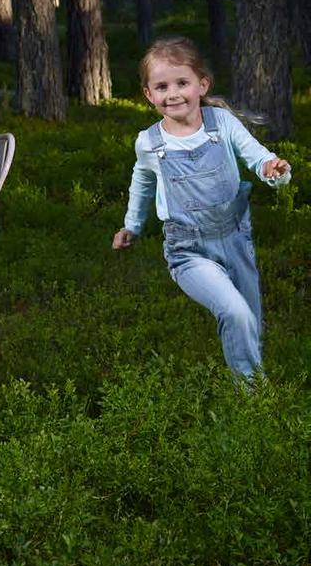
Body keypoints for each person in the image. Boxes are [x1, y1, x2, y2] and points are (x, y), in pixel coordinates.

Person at [112, 36, 291, 380]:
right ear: (148, 94)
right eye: (161, 86)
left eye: (182, 83)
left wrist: (274, 171)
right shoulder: (149, 142)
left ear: (202, 84)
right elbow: (142, 182)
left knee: (250, 319)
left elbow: (258, 157)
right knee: (234, 312)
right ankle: (254, 399)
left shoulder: (221, 124)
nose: (173, 93)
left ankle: (259, 398)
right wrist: (131, 225)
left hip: (236, 239)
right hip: (188, 250)